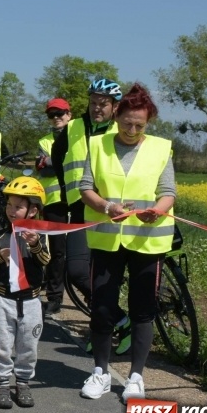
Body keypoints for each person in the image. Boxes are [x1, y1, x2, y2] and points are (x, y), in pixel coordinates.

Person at [78, 83, 175, 402]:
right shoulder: (97, 144)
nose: (132, 130)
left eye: (140, 125)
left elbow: (168, 192)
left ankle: (135, 377)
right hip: (108, 241)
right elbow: (86, 188)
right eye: (126, 123)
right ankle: (101, 373)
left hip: (148, 242)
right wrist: (107, 207)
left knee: (142, 310)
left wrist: (158, 211)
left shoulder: (162, 148)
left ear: (148, 122)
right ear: (116, 116)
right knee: (103, 307)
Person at [52, 79, 130, 354]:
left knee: (104, 275)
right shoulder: (73, 127)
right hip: (78, 205)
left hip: (112, 209)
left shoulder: (121, 129)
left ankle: (104, 327)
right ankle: (121, 318)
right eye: (93, 103)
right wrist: (66, 189)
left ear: (115, 106)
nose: (97, 108)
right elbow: (57, 154)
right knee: (76, 271)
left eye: (104, 104)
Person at [0, 176, 51, 409]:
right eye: (9, 205)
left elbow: (45, 261)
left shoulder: (40, 234)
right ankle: (1, 383)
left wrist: (35, 245)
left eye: (18, 207)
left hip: (31, 301)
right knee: (0, 344)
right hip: (3, 298)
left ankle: (22, 383)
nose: (12, 211)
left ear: (32, 210)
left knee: (28, 346)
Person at [36, 98, 72, 315]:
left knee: (82, 252)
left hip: (79, 198)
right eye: (52, 114)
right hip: (54, 201)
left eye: (60, 113)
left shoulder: (80, 136)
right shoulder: (44, 140)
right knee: (56, 252)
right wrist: (60, 162)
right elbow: (43, 169)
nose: (56, 118)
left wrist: (53, 161)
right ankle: (55, 297)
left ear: (69, 114)